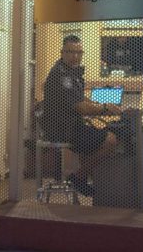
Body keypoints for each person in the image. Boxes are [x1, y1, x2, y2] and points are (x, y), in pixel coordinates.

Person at [40, 35, 123, 197]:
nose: (75, 56)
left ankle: (93, 185)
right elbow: (80, 107)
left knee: (92, 138)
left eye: (79, 52)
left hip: (68, 126)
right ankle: (78, 178)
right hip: (63, 129)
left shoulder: (70, 72)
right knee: (110, 139)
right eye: (71, 52)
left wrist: (96, 104)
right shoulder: (62, 76)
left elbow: (79, 98)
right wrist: (105, 108)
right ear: (62, 52)